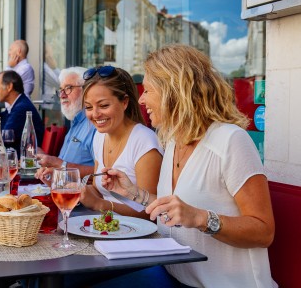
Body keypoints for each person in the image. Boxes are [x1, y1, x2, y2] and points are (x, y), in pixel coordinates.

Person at [101, 44, 276, 288]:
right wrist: (133, 193)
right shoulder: (173, 141)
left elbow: (264, 231)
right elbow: (175, 210)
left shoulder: (231, 141)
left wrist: (201, 218)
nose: (141, 99)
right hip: (173, 275)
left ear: (174, 92)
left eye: (148, 90)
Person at [80, 66, 163, 218]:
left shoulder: (144, 141)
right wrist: (72, 189)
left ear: (125, 102)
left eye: (104, 105)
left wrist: (101, 205)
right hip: (107, 230)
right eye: (89, 107)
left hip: (138, 237)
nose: (95, 114)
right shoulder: (100, 136)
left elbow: (151, 212)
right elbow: (98, 190)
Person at [35, 67, 96, 179]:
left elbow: (101, 173)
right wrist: (48, 160)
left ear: (86, 90)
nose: (62, 95)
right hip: (60, 188)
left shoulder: (95, 124)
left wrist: (59, 164)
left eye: (68, 88)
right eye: (61, 90)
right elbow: (63, 163)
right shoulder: (75, 123)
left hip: (80, 194)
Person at [0, 70, 44, 157]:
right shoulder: (15, 106)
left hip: (23, 161)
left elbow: (2, 138)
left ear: (9, 86)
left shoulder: (21, 108)